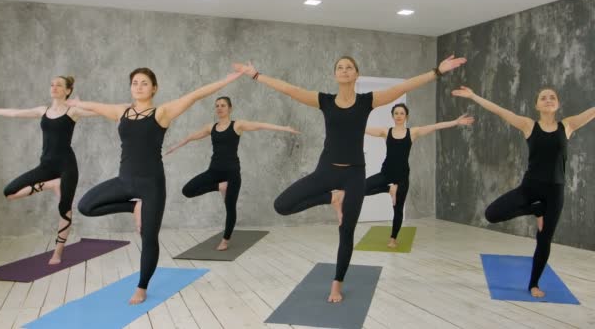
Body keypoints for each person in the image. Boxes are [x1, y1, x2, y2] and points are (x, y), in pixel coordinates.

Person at [234, 54, 466, 302]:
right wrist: (257, 75)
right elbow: (291, 90)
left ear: (356, 74)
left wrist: (437, 72)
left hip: (354, 175)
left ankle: (337, 284)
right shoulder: (324, 101)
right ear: (335, 75)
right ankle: (332, 197)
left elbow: (402, 87)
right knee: (282, 205)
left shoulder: (368, 101)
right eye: (340, 67)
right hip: (326, 171)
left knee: (347, 232)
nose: (344, 70)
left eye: (349, 67)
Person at [71, 68, 242, 304]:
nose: (138, 87)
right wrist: (79, 103)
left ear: (154, 88)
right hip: (124, 180)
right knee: (85, 206)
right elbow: (96, 107)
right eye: (134, 83)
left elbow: (194, 95)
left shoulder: (161, 112)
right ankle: (133, 208)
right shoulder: (122, 111)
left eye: (144, 83)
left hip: (151, 184)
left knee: (149, 237)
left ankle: (141, 287)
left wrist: (228, 78)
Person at [452, 85, 594, 297]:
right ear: (537, 105)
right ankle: (536, 210)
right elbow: (500, 111)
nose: (548, 100)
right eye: (543, 97)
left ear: (557, 104)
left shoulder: (567, 126)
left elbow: (592, 111)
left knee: (544, 239)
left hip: (555, 192)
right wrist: (473, 96)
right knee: (492, 214)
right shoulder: (529, 125)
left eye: (552, 97)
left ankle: (534, 284)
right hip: (530, 187)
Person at [166, 96, 299, 251]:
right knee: (187, 190)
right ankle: (220, 186)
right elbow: (191, 137)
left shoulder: (238, 125)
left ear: (230, 108)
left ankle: (225, 240)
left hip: (232, 173)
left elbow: (260, 125)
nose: (219, 108)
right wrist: (175, 147)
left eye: (223, 105)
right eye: (217, 106)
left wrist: (285, 128)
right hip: (214, 171)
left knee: (230, 207)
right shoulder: (211, 127)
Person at [0, 75, 95, 264]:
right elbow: (14, 113)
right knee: (10, 192)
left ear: (67, 90)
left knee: (64, 209)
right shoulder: (42, 110)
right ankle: (52, 185)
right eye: (52, 84)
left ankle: (58, 253)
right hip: (46, 166)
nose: (54, 87)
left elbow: (101, 111)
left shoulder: (73, 111)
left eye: (59, 85)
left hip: (66, 166)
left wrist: (132, 106)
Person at [334, 104, 474, 248]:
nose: (399, 116)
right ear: (392, 116)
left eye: (402, 113)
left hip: (401, 177)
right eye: (396, 113)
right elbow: (362, 129)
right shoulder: (386, 132)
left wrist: (456, 122)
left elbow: (435, 126)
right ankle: (389, 189)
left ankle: (393, 238)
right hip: (386, 173)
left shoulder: (412, 132)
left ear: (406, 116)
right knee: (361, 189)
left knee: (398, 209)